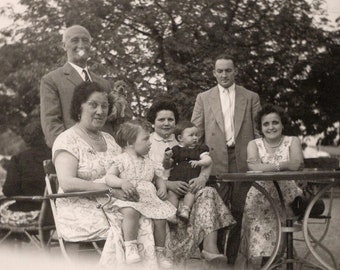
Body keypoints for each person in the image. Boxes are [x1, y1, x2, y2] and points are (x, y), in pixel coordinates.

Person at [52, 81, 158, 268]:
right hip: (79, 205)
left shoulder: (110, 140)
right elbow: (67, 182)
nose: (100, 111)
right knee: (127, 225)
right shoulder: (67, 139)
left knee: (151, 217)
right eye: (93, 105)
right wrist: (109, 189)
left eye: (104, 106)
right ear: (79, 107)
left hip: (114, 202)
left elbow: (130, 167)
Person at [191, 53, 261, 264]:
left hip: (242, 160)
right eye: (219, 71)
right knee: (217, 212)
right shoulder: (204, 98)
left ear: (235, 71)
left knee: (239, 211)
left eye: (228, 70)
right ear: (214, 73)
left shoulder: (250, 97)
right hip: (214, 160)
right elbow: (196, 133)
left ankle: (230, 261)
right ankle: (214, 257)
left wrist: (259, 160)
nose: (224, 74)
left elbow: (258, 133)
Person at [146, 99, 235, 264]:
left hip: (190, 190)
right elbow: (140, 173)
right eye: (161, 119)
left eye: (170, 119)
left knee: (208, 192)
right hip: (161, 193)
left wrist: (202, 177)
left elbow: (206, 162)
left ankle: (210, 248)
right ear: (153, 122)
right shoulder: (146, 142)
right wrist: (167, 184)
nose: (166, 123)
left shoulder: (186, 138)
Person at [40, 24, 131, 148]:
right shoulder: (52, 80)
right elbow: (51, 123)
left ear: (90, 45)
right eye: (74, 40)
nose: (81, 45)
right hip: (75, 154)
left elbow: (115, 122)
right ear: (64, 45)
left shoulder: (104, 83)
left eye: (85, 40)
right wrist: (68, 151)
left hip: (108, 153)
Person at [105, 119, 176, 267]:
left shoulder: (149, 161)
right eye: (145, 139)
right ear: (130, 142)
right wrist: (122, 183)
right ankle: (130, 247)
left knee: (160, 219)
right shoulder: (121, 159)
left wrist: (162, 187)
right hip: (131, 197)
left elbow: (158, 178)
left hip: (149, 198)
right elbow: (109, 177)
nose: (149, 143)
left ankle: (160, 252)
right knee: (131, 212)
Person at [241, 104, 303, 267]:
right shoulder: (254, 144)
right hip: (260, 198)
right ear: (261, 128)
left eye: (275, 122)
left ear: (282, 124)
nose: (271, 127)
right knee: (257, 247)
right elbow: (253, 167)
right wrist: (283, 164)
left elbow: (296, 164)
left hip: (286, 199)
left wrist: (266, 166)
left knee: (279, 244)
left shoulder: (292, 141)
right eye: (266, 124)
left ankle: (275, 264)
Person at [0, 121, 51, 226]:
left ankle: (15, 239)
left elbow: (9, 190)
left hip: (30, 212)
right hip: (54, 213)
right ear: (44, 136)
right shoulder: (55, 155)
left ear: (25, 139)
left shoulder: (19, 159)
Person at [163, 120, 212, 223]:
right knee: (172, 193)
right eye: (191, 135)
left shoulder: (199, 149)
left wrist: (200, 163)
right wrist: (167, 159)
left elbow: (208, 160)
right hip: (177, 179)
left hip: (191, 178)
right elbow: (168, 165)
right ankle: (172, 213)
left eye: (196, 135)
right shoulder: (175, 150)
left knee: (191, 191)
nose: (195, 138)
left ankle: (186, 210)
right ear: (180, 138)